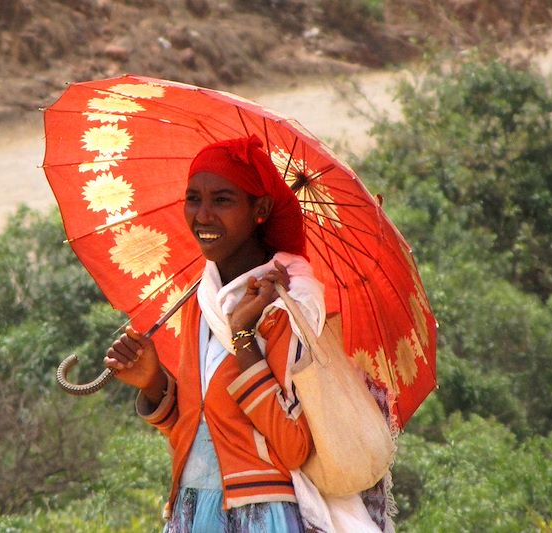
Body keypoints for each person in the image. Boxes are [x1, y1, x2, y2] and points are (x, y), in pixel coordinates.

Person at [105, 135, 391, 532]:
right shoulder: (200, 301)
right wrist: (153, 382)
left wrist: (242, 336)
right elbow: (203, 427)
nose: (202, 215)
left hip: (260, 514)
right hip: (191, 508)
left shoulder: (287, 305)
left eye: (222, 200)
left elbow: (292, 446)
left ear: (261, 209)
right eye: (193, 198)